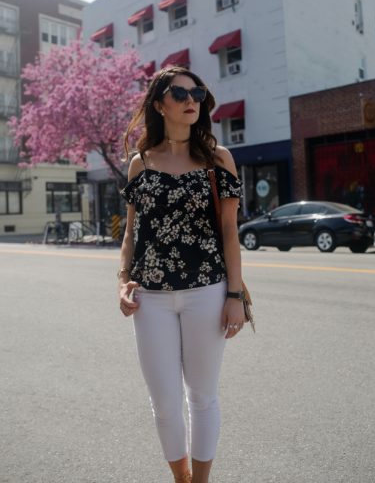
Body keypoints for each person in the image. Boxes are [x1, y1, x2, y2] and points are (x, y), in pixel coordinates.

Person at [119, 66, 245, 483]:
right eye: (179, 92)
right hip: (149, 298)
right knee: (165, 403)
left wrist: (235, 295)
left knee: (203, 397)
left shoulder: (217, 159)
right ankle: (181, 478)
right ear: (160, 104)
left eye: (198, 92)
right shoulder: (141, 164)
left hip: (206, 292)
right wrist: (123, 281)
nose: (191, 99)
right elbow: (131, 233)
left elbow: (230, 232)